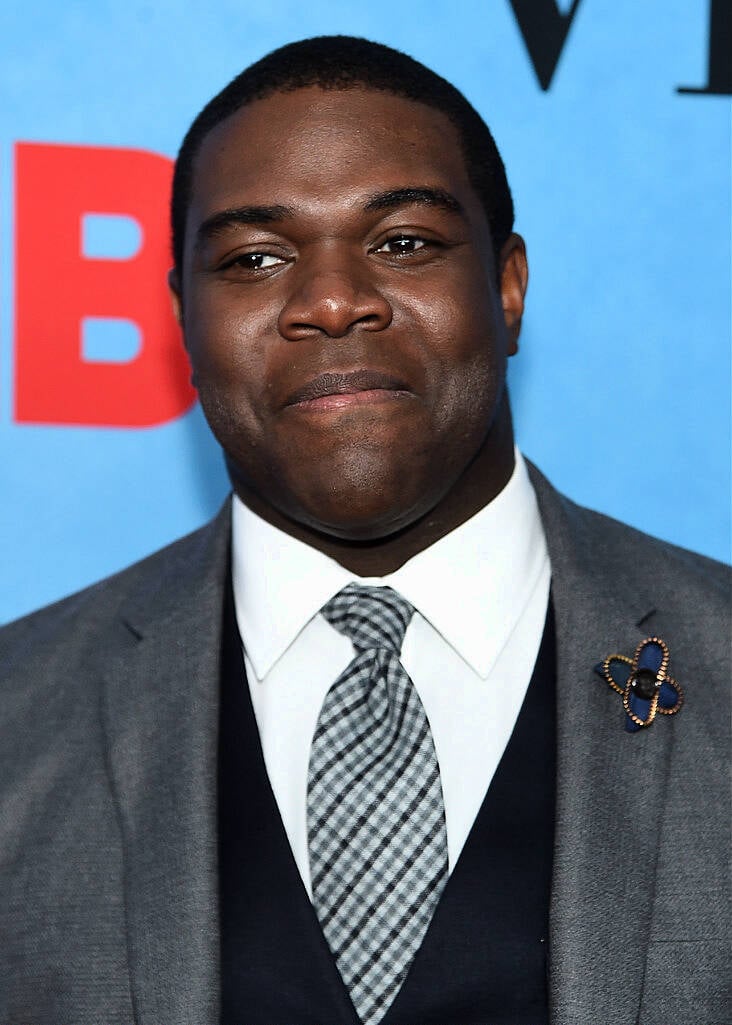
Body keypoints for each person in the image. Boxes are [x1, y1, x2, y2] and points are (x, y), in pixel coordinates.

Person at [0, 35, 728, 1025]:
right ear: (183, 318)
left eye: (404, 243)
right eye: (254, 258)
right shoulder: (19, 714)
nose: (334, 301)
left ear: (507, 285)